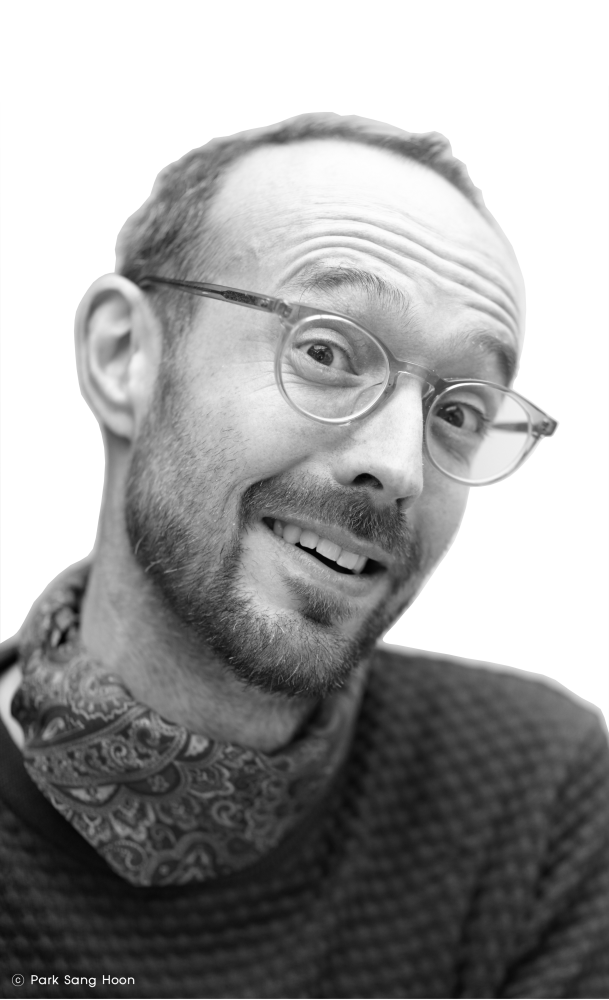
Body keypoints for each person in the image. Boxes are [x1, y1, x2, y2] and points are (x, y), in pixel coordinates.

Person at [1, 113, 607, 999]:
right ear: (126, 355)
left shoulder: (531, 791)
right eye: (326, 351)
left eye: (458, 412)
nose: (399, 468)